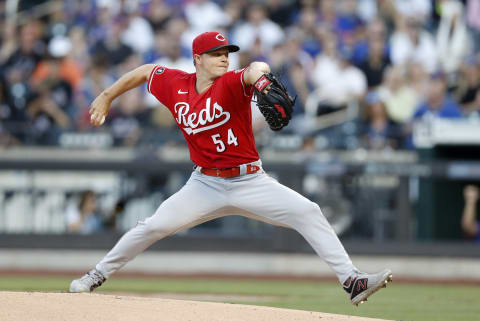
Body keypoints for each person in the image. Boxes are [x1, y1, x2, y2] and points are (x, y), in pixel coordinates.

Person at [69, 31, 392, 306]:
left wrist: (264, 79)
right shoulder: (175, 85)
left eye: (226, 53)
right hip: (204, 185)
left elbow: (255, 69)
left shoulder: (233, 82)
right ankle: (95, 274)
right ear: (197, 59)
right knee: (152, 227)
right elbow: (144, 71)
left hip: (250, 180)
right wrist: (107, 95)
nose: (224, 58)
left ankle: (351, 281)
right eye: (215, 54)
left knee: (308, 211)